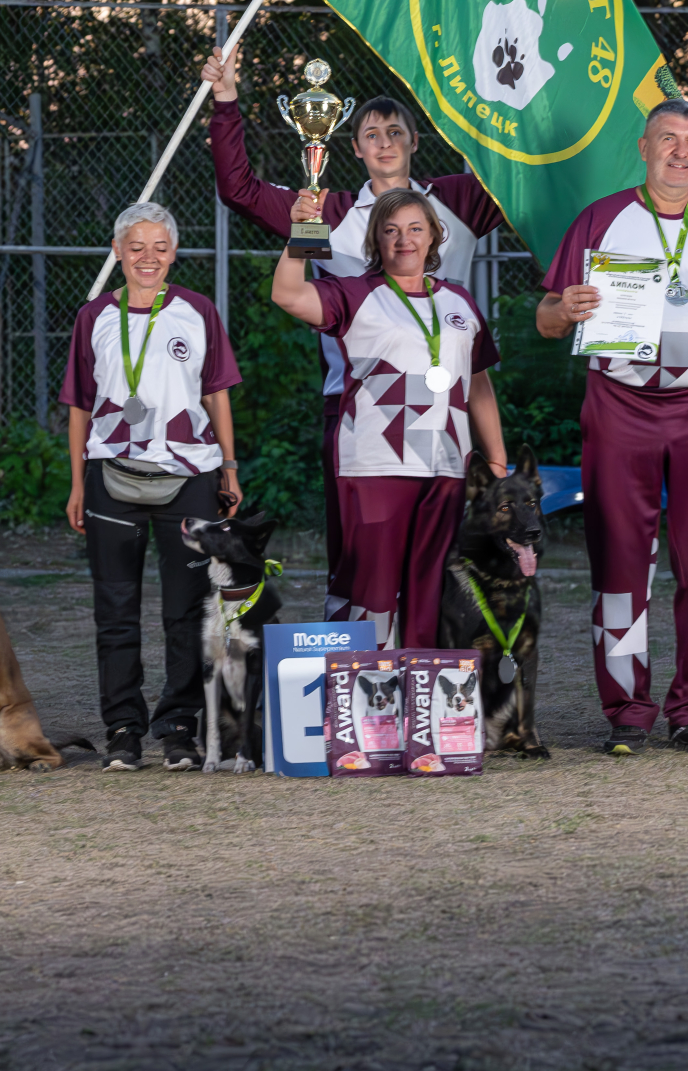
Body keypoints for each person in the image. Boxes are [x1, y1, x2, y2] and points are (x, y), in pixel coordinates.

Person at [200, 42, 504, 620]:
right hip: (358, 411)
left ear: (415, 142)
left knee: (433, 567)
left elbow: (519, 171)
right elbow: (238, 189)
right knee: (360, 565)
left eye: (395, 131)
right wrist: (225, 100)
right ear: (355, 146)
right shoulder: (325, 209)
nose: (384, 141)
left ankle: (426, 678)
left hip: (449, 414)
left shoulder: (458, 199)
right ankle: (355, 679)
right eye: (371, 133)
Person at [538, 100, 688, 756]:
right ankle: (628, 712)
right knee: (620, 560)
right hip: (620, 403)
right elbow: (546, 317)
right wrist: (566, 307)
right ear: (643, 148)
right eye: (667, 138)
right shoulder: (602, 220)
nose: (681, 150)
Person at [270, 188, 507, 647]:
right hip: (374, 464)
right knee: (371, 589)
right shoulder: (354, 292)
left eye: (415, 229)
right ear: (375, 239)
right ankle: (362, 699)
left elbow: (477, 383)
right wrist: (302, 231)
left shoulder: (459, 301)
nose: (404, 240)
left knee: (429, 589)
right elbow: (287, 293)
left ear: (436, 237)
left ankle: (417, 700)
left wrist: (495, 461)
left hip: (447, 467)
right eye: (391, 230)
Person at [59, 202, 242, 773]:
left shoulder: (198, 311)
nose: (148, 258)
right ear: (117, 251)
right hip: (111, 474)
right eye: (136, 247)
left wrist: (229, 469)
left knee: (186, 611)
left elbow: (217, 392)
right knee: (115, 608)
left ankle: (179, 728)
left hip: (189, 475)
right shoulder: (94, 316)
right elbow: (79, 406)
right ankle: (123, 729)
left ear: (174, 253)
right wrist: (75, 484)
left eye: (160, 247)